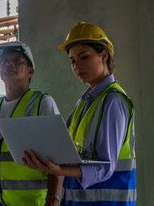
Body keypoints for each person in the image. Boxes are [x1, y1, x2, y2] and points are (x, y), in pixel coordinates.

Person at [22, 22, 136, 206]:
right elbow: (70, 153)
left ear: (104, 55)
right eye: (73, 61)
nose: (77, 66)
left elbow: (105, 167)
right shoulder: (83, 104)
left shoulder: (113, 101)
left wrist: (59, 170)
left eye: (84, 57)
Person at [0, 41, 61, 206]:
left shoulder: (42, 103)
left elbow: (55, 158)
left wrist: (52, 198)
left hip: (32, 202)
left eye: (18, 60)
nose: (9, 63)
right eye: (4, 61)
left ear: (30, 71)